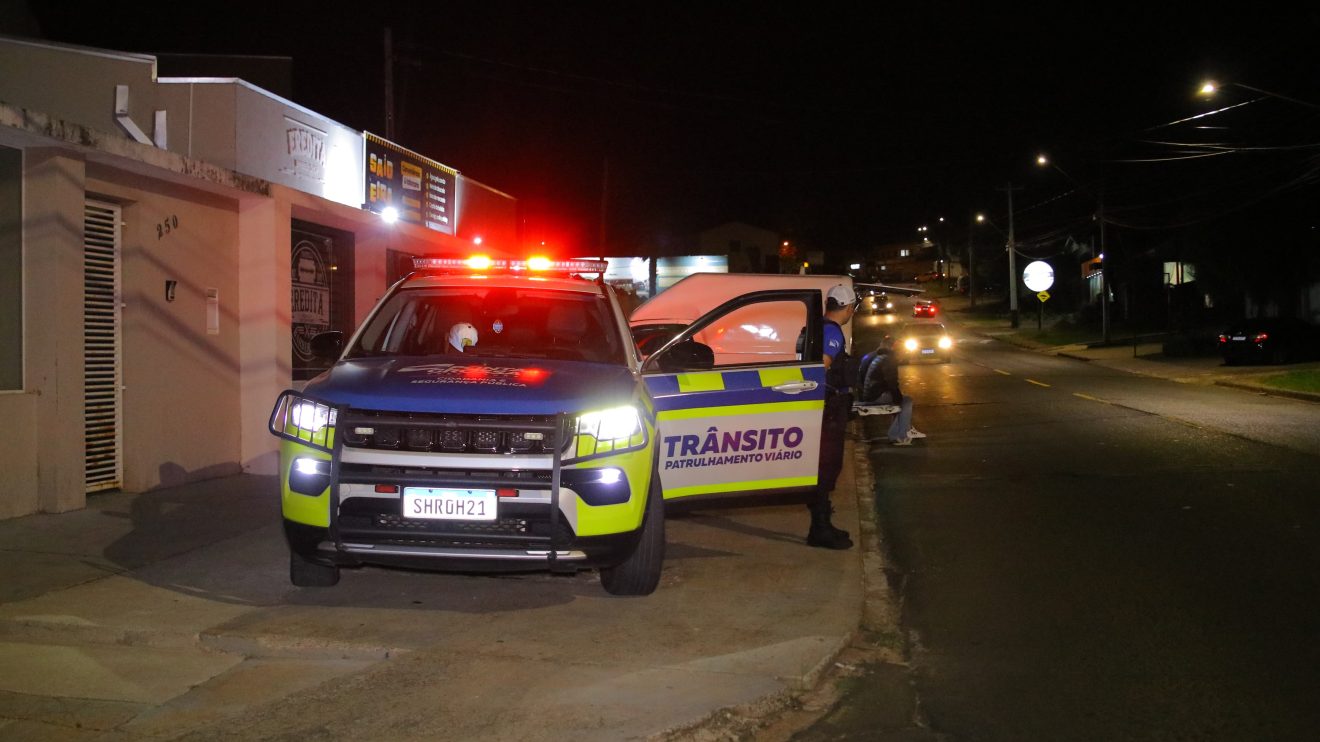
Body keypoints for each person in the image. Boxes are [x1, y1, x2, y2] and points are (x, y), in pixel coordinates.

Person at [807, 284, 860, 550]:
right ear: (849, 308)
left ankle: (822, 525)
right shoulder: (832, 333)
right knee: (826, 468)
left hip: (824, 409)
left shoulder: (815, 327)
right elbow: (821, 369)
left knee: (824, 469)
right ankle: (819, 530)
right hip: (829, 411)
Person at [857, 332, 926, 446]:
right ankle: (901, 435)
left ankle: (898, 432)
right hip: (873, 396)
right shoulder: (888, 359)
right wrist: (897, 398)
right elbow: (892, 382)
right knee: (906, 401)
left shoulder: (871, 355)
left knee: (900, 400)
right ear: (893, 347)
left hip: (863, 393)